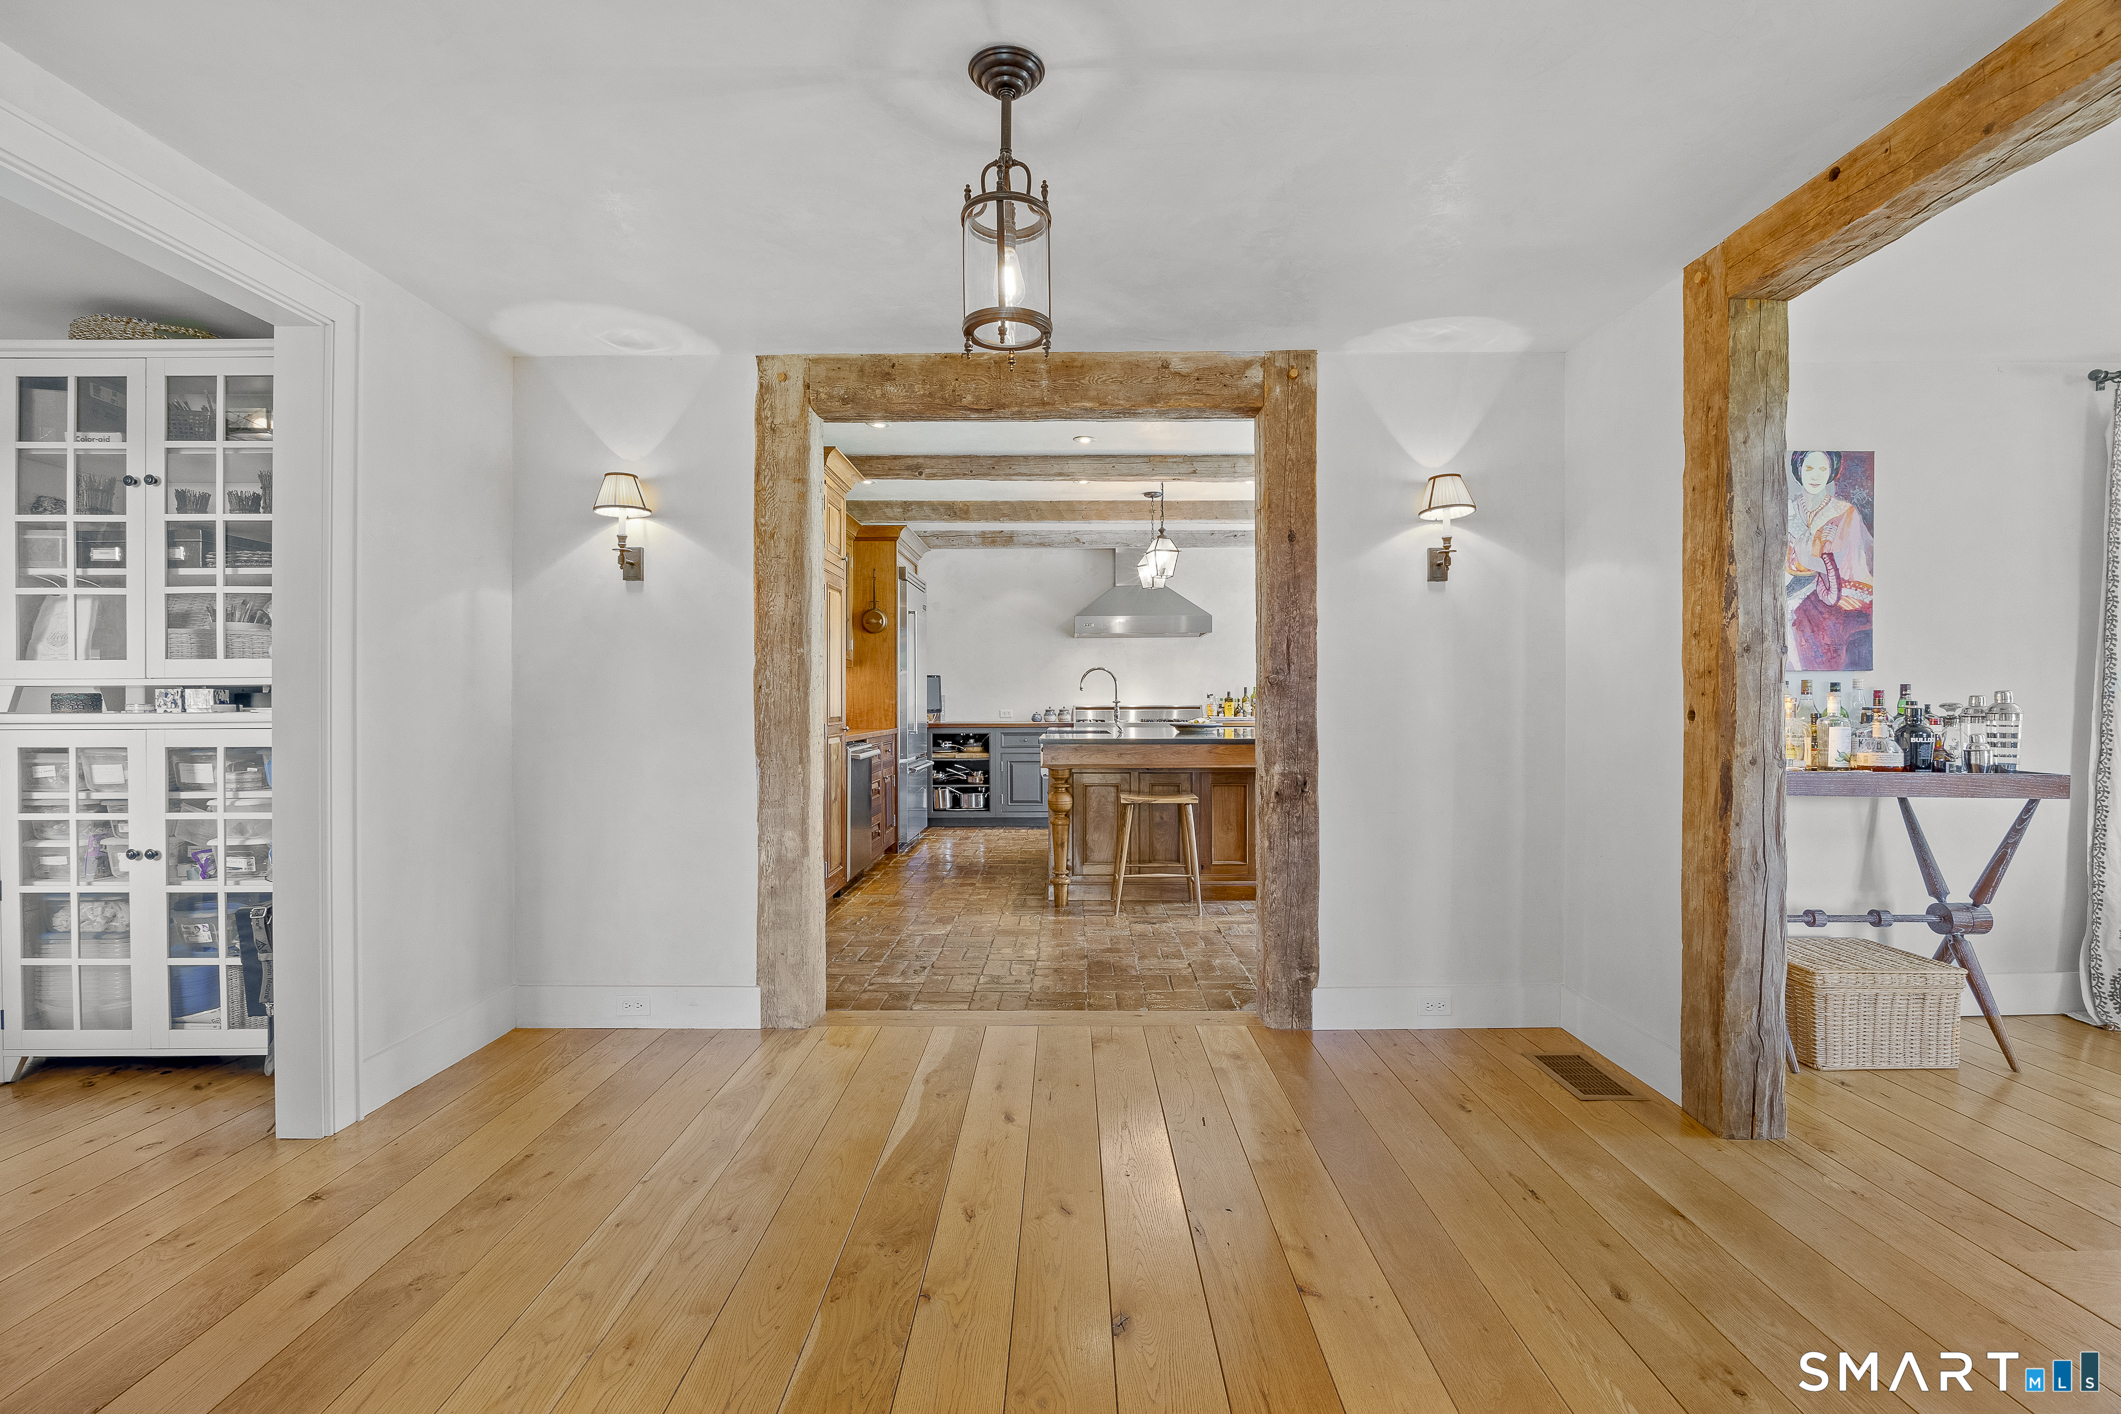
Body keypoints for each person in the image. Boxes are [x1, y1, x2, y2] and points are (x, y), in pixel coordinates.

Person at [1786, 450, 1872, 670]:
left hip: (1827, 596)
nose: (1815, 476)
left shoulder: (1844, 512)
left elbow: (1849, 565)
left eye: (1822, 469)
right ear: (1799, 470)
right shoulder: (1787, 510)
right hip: (1787, 592)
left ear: (1832, 472)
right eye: (1810, 469)